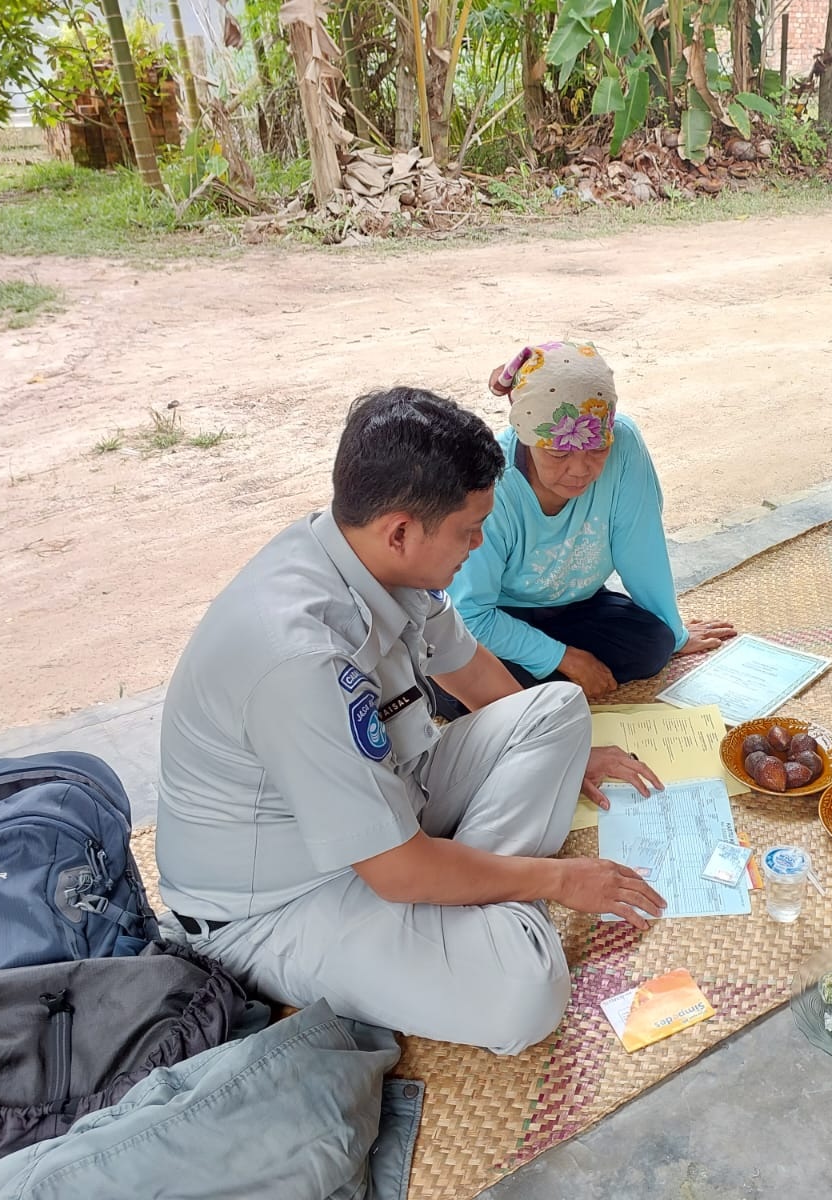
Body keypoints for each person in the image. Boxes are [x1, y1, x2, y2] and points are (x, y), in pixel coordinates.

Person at [154, 387, 668, 1056]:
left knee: (558, 709)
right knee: (524, 993)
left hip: (390, 807)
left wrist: (577, 755)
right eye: (469, 529)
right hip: (278, 903)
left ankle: (467, 894)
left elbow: (474, 673)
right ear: (401, 529)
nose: (481, 544)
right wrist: (558, 880)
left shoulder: (373, 557)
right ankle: (477, 906)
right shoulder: (299, 657)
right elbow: (394, 873)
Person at [446, 340, 735, 702]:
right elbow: (469, 614)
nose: (580, 470)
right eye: (558, 451)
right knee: (476, 685)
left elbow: (641, 549)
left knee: (654, 646)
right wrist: (562, 657)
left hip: (576, 605)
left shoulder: (625, 444)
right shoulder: (493, 479)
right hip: (498, 613)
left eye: (598, 448)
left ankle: (542, 682)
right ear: (524, 433)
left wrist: (675, 632)